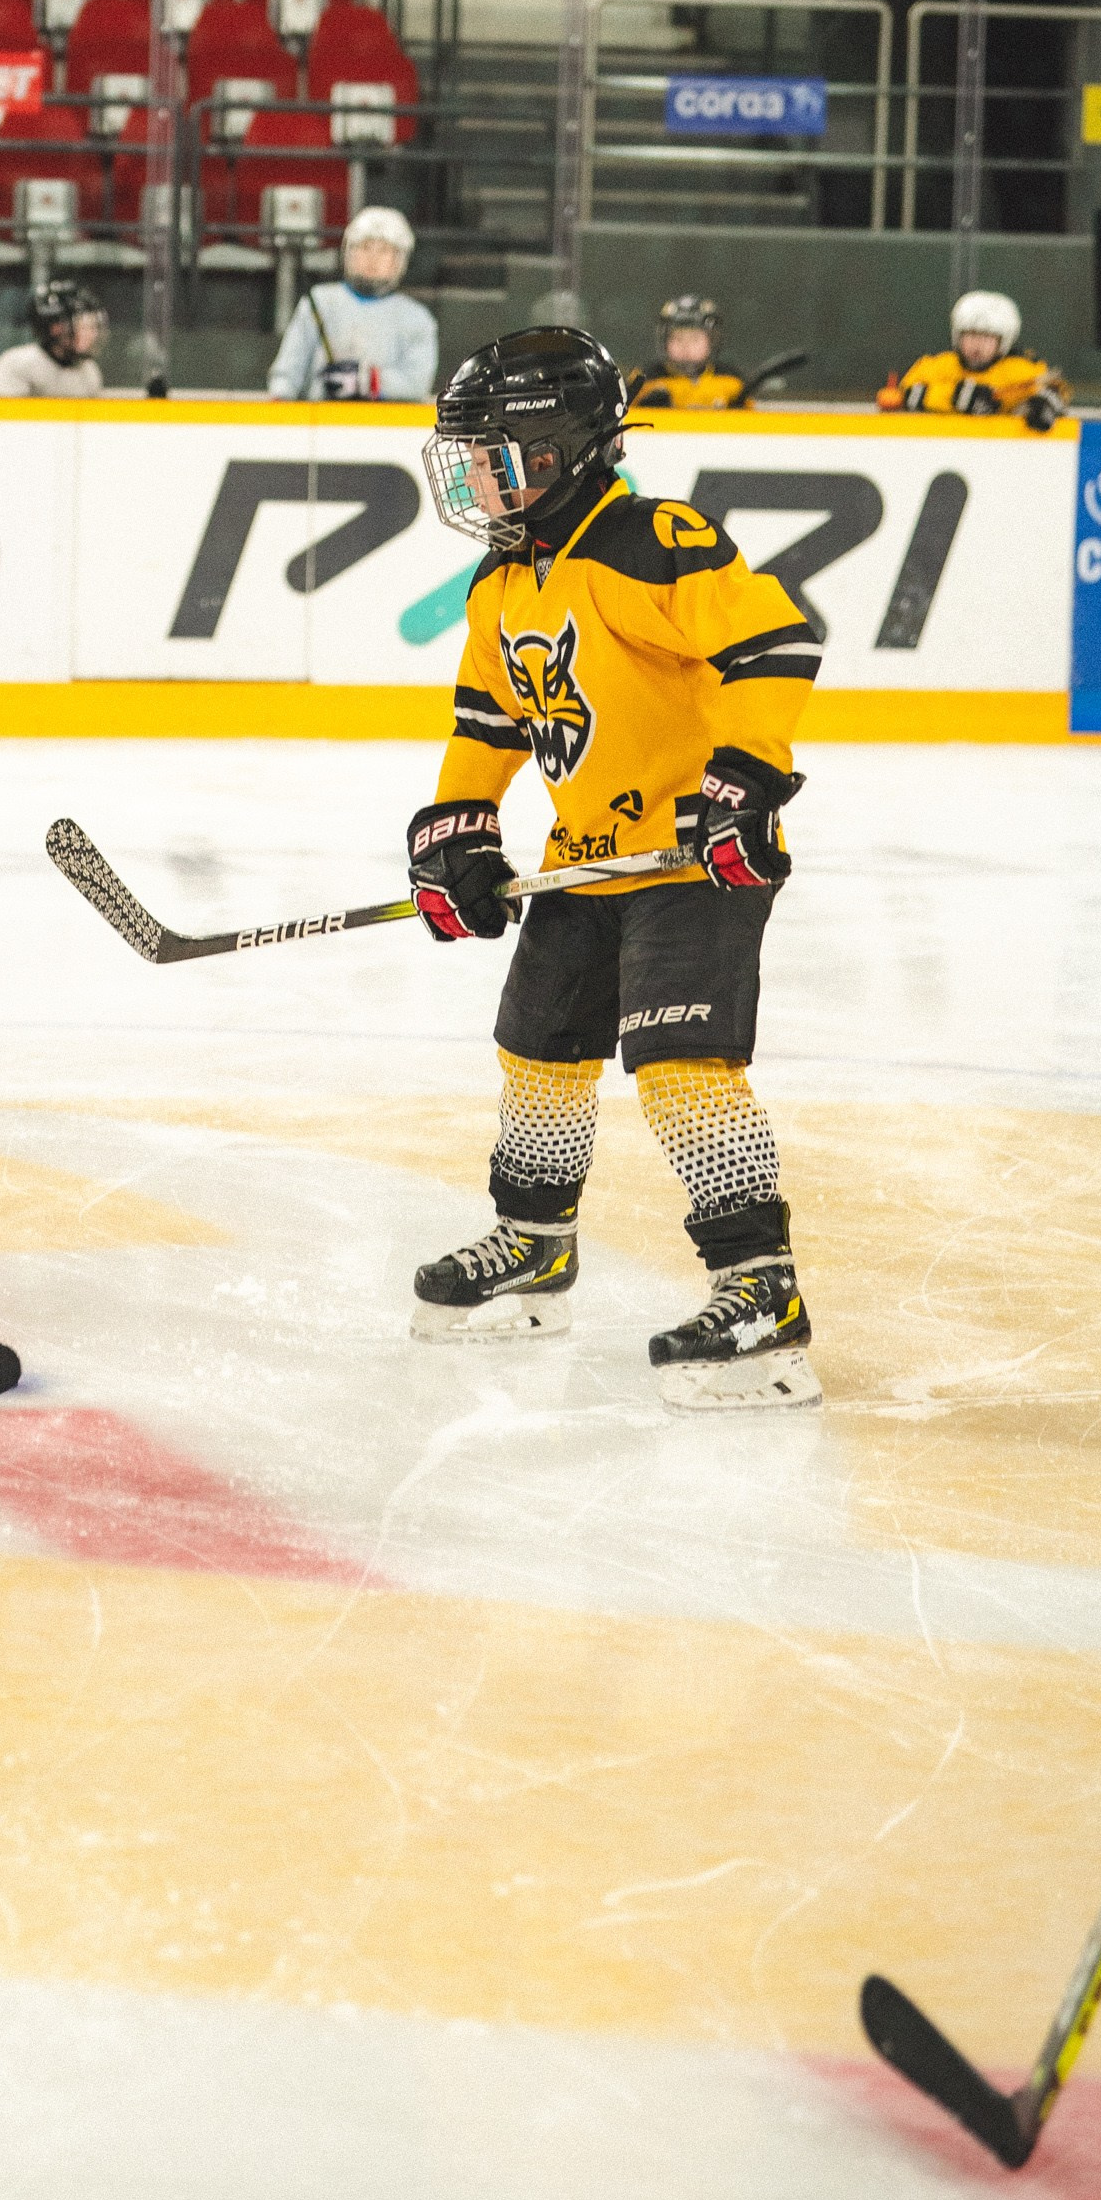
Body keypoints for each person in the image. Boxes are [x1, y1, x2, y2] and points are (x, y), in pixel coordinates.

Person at [404, 326, 825, 1411]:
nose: (472, 474)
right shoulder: (503, 579)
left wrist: (743, 776)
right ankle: (534, 1241)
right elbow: (489, 715)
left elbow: (773, 644)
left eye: (490, 451)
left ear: (557, 449)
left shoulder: (648, 540)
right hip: (583, 860)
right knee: (536, 1054)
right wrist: (458, 821)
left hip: (690, 856)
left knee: (681, 1067)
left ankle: (758, 1288)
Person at [266, 206, 440, 400]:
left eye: (384, 250)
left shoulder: (417, 318)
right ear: (349, 252)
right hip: (319, 423)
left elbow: (417, 384)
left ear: (399, 260)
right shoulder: (319, 302)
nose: (373, 258)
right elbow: (287, 372)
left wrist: (369, 380)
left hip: (384, 427)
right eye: (365, 247)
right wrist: (280, 404)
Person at [878, 289, 1066, 428]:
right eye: (970, 335)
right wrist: (954, 397)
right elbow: (904, 394)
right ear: (957, 336)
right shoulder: (938, 365)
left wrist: (1044, 405)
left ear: (1004, 341)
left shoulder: (1019, 370)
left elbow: (1056, 389)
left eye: (987, 337)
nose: (977, 345)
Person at [0, 276, 107, 396]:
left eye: (93, 327)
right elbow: (3, 413)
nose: (92, 334)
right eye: (83, 326)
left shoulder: (89, 371)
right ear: (54, 328)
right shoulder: (18, 364)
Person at [632, 291, 750, 411]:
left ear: (711, 341)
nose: (686, 346)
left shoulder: (732, 379)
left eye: (695, 339)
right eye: (677, 338)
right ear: (664, 341)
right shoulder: (644, 379)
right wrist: (647, 408)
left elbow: (752, 421)